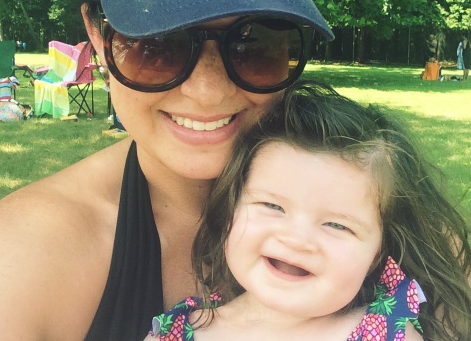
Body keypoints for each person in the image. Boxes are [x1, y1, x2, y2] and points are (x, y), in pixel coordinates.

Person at [0, 0, 334, 339]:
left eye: (254, 42)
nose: (208, 91)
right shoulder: (20, 260)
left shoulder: (377, 210)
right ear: (97, 35)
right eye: (158, 42)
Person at [147, 81, 471, 341]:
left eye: (337, 225)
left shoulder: (386, 333)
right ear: (229, 211)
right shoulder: (174, 333)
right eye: (272, 206)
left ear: (376, 254)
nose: (297, 239)